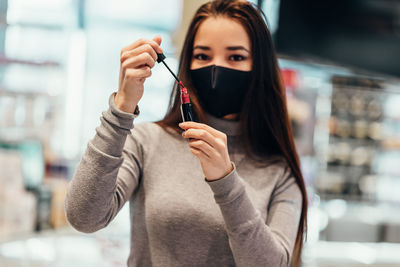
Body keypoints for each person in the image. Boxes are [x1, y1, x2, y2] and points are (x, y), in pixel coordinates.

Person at [65, 0, 308, 266]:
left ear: (259, 68)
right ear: (187, 63)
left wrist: (225, 180)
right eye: (202, 56)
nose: (216, 68)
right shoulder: (148, 141)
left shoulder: (280, 172)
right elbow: (83, 217)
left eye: (236, 57)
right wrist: (122, 107)